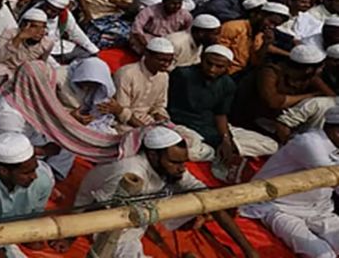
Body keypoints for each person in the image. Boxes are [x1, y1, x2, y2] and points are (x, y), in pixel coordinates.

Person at [75, 127, 259, 258]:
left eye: (183, 163)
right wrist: (70, 237)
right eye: (175, 163)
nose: (182, 169)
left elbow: (211, 201)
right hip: (111, 221)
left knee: (212, 201)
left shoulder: (173, 169)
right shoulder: (131, 172)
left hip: (141, 211)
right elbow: (96, 210)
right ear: (154, 156)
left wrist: (249, 251)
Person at [241, 105, 339, 258]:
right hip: (281, 207)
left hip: (321, 210)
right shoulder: (309, 143)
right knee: (323, 255)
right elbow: (331, 177)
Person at [169, 44, 279, 173]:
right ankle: (220, 152)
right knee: (191, 150)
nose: (212, 69)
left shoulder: (228, 84)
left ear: (228, 67)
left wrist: (226, 139)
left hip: (211, 126)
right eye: (209, 63)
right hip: (183, 125)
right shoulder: (182, 74)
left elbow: (220, 114)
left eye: (219, 66)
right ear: (201, 58)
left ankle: (224, 150)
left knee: (272, 145)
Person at [106, 37, 175, 133]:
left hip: (149, 120)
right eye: (162, 60)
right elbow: (120, 110)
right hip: (125, 123)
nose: (166, 64)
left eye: (169, 61)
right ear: (147, 55)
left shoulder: (164, 76)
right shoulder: (126, 73)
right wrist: (145, 129)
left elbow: (159, 105)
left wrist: (162, 120)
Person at [129, 0, 193, 54]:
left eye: (179, 3)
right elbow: (137, 26)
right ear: (164, 1)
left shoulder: (185, 15)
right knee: (136, 40)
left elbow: (188, 32)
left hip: (171, 41)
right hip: (150, 38)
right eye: (173, 3)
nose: (176, 6)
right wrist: (145, 44)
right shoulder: (150, 10)